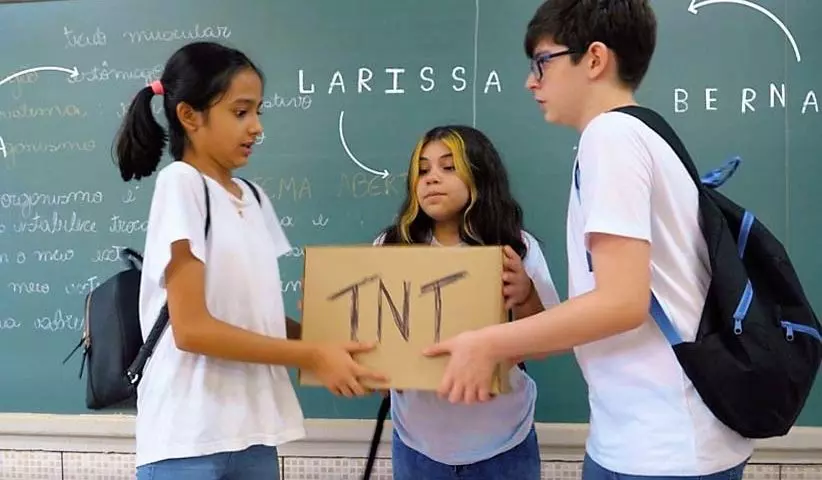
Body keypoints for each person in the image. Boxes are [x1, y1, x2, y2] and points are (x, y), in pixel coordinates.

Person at [420, 1, 754, 478]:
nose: (531, 81)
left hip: (659, 448)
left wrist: (488, 342)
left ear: (594, 59)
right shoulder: (645, 132)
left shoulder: (611, 137)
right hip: (652, 437)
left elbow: (621, 303)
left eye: (542, 62)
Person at [114, 41, 386, 480]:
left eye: (258, 111)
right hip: (189, 438)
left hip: (253, 433)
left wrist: (341, 347)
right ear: (189, 116)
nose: (256, 127)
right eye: (240, 112)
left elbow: (261, 318)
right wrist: (313, 354)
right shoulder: (181, 183)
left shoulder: (253, 197)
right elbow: (192, 329)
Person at [374, 125, 561, 479]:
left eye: (448, 167)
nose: (432, 178)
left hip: (503, 440)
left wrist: (525, 294)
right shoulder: (392, 247)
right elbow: (378, 344)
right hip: (418, 442)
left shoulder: (515, 247)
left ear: (479, 174)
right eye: (423, 170)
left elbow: (547, 341)